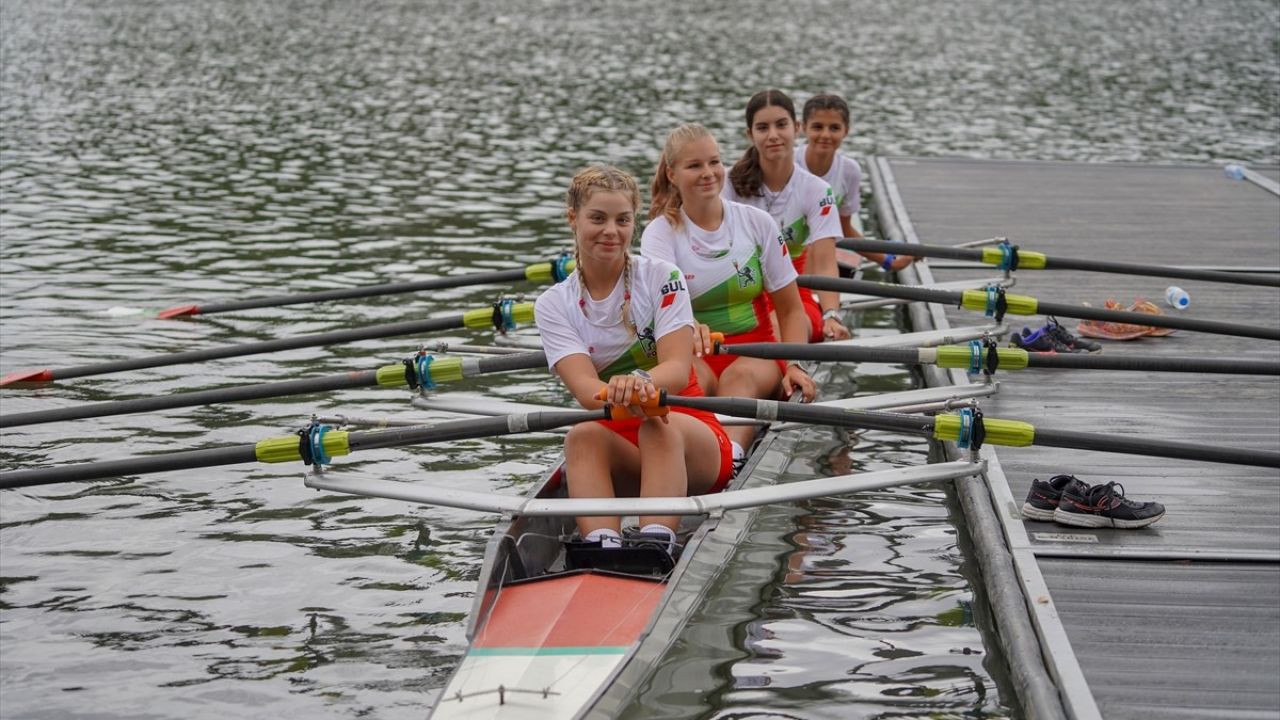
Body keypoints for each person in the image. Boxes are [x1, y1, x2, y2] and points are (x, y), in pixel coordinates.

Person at [534, 165, 735, 554]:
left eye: (622, 220)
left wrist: (641, 380)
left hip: (690, 433)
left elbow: (677, 369)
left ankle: (655, 544)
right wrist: (621, 391)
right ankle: (600, 545)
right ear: (572, 218)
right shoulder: (553, 304)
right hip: (619, 441)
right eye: (598, 218)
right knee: (582, 435)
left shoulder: (663, 276)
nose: (611, 231)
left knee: (656, 426)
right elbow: (586, 390)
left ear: (633, 225)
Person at [641, 123, 817, 465]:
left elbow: (791, 311)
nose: (708, 173)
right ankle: (687, 453)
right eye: (694, 166)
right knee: (686, 377)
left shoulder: (756, 223)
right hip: (693, 350)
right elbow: (663, 306)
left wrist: (795, 364)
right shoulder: (659, 234)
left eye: (714, 162)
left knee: (738, 378)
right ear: (672, 174)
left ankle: (731, 457)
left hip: (756, 351)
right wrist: (688, 324)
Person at [723, 89, 848, 343]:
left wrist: (832, 314)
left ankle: (786, 373)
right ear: (750, 135)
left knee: (778, 324)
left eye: (781, 125)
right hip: (741, 296)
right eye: (762, 128)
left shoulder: (816, 190)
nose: (773, 135)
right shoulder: (726, 183)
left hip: (796, 295)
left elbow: (824, 262)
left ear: (797, 128)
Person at [795, 93, 916, 275]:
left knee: (819, 248)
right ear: (804, 128)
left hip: (819, 253)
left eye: (834, 128)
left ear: (846, 131)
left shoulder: (849, 171)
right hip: (786, 251)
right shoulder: (787, 163)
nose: (825, 135)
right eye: (817, 127)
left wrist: (888, 261)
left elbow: (844, 230)